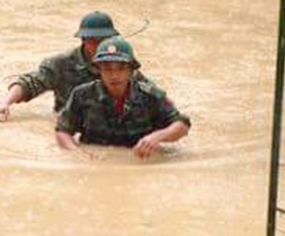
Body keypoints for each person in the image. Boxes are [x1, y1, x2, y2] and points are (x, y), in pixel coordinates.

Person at [56, 36, 190, 159]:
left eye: (121, 68)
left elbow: (182, 125)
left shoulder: (150, 96)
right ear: (99, 70)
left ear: (131, 71)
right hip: (97, 163)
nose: (114, 75)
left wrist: (157, 137)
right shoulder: (81, 95)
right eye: (107, 68)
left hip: (140, 162)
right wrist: (77, 153)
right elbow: (62, 130)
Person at [0, 10, 125, 123]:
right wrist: (5, 103)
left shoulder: (121, 62)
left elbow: (142, 90)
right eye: (93, 41)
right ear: (84, 40)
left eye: (104, 40)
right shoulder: (61, 64)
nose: (99, 45)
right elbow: (29, 83)